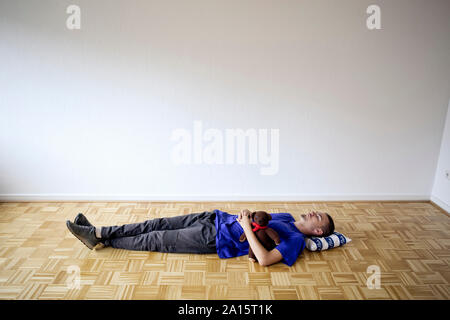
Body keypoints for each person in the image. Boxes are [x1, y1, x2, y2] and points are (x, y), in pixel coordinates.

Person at [66, 209, 335, 267]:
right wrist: (245, 216)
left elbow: (264, 258)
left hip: (215, 239)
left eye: (319, 217)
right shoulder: (287, 216)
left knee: (156, 238)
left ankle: (99, 239)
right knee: (155, 223)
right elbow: (259, 223)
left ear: (318, 232)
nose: (314, 213)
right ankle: (100, 232)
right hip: (215, 218)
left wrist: (244, 224)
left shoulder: (296, 241)